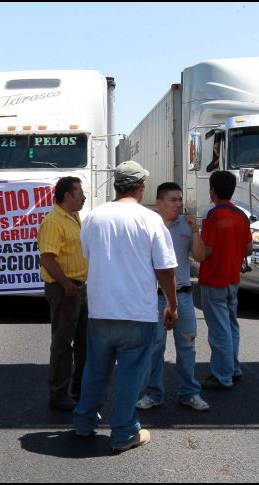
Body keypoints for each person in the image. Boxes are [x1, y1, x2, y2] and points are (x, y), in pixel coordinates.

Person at [75, 160, 178, 453]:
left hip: (100, 309)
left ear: (116, 185)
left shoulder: (94, 217)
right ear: (141, 187)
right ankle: (123, 432)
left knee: (95, 369)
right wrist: (172, 304)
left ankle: (84, 422)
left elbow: (88, 254)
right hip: (137, 311)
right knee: (131, 374)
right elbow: (165, 268)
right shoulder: (149, 219)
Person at [136, 182, 209, 412]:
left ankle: (190, 393)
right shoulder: (148, 225)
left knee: (187, 346)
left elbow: (200, 256)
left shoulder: (186, 226)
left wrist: (196, 231)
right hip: (154, 297)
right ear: (159, 203)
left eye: (180, 200)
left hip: (183, 296)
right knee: (155, 347)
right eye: (173, 200)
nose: (178, 204)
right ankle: (153, 393)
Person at [191, 170, 253, 390]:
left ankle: (222, 375)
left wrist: (194, 233)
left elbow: (203, 253)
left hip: (213, 278)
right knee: (231, 325)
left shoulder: (213, 216)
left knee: (219, 330)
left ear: (212, 191)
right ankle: (233, 368)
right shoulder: (241, 215)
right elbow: (248, 248)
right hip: (232, 278)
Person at [38, 176, 89, 412]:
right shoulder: (53, 221)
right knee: (62, 343)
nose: (83, 196)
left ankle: (78, 389)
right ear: (67, 196)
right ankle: (58, 394)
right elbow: (47, 258)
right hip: (64, 289)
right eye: (79, 193)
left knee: (83, 342)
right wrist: (67, 284)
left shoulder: (73, 216)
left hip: (78, 287)